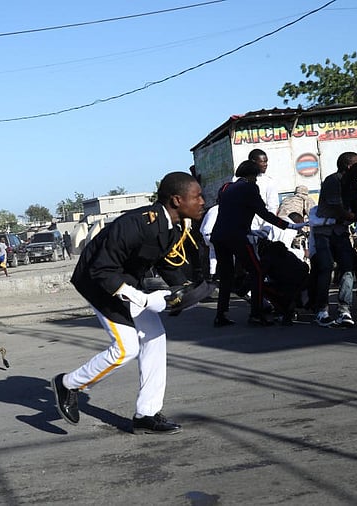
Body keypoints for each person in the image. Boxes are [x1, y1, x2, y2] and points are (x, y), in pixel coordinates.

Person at [51, 171, 205, 435]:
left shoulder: (173, 226)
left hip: (125, 282)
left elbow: (163, 260)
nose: (202, 201)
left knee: (155, 337)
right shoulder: (137, 224)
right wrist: (141, 298)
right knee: (126, 349)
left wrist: (182, 291)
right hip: (98, 283)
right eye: (197, 196)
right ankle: (68, 384)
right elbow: (100, 270)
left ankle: (146, 414)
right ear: (177, 200)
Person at [212, 160, 304, 327]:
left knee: (226, 276)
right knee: (257, 272)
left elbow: (231, 212)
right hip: (238, 237)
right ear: (252, 175)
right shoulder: (250, 187)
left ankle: (221, 314)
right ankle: (256, 314)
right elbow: (264, 213)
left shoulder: (225, 188)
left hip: (219, 236)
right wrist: (289, 225)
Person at [311, 152, 357, 328]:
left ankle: (344, 309)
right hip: (324, 232)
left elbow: (354, 207)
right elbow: (340, 210)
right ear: (348, 166)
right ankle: (321, 310)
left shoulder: (353, 183)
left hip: (340, 232)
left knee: (347, 268)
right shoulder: (333, 181)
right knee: (326, 267)